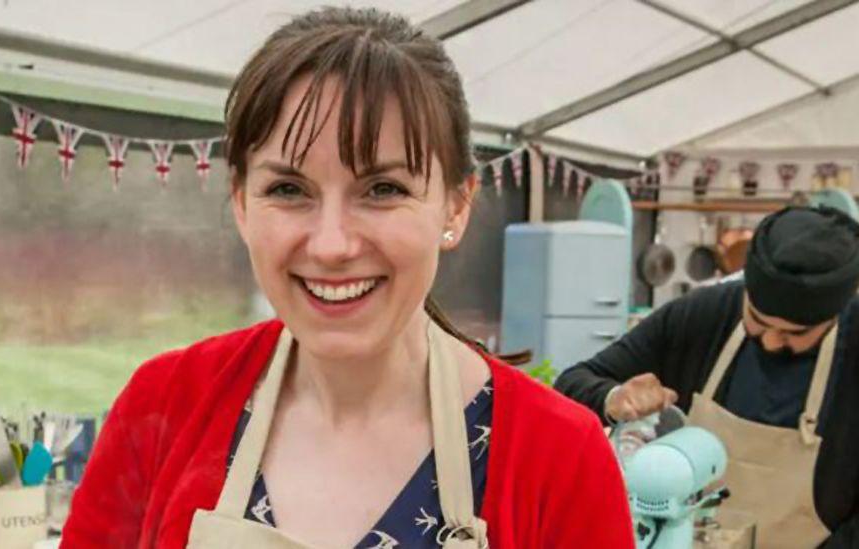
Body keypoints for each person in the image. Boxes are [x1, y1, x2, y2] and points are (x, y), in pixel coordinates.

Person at [61, 7, 632, 549]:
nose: (332, 245)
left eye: (383, 190)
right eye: (288, 190)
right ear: (240, 203)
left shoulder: (560, 457)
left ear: (456, 207)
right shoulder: (163, 407)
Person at [555, 206, 859, 549]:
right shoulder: (703, 315)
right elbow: (573, 382)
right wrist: (613, 398)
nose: (772, 342)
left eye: (795, 334)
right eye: (757, 320)